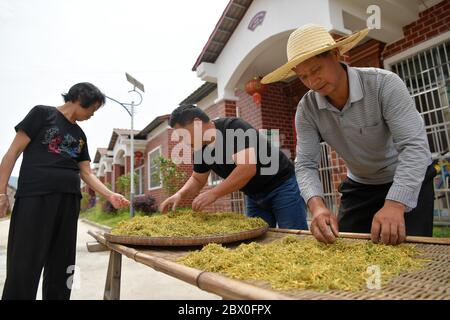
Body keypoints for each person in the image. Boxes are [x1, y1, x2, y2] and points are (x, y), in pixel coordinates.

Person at [261, 24, 435, 245]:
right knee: (344, 245)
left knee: (410, 249)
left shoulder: (384, 85)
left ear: (335, 54)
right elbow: (305, 164)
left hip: (405, 174)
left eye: (316, 70)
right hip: (361, 182)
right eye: (304, 77)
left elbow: (415, 148)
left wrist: (395, 204)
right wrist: (317, 207)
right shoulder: (307, 109)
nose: (313, 82)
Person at [0, 82, 129, 300]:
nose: (92, 115)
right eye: (93, 109)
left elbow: (86, 173)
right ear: (80, 99)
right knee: (25, 261)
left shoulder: (80, 135)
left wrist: (110, 194)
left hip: (69, 202)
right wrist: (1, 193)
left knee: (62, 263)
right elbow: (13, 152)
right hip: (36, 197)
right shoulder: (41, 114)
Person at [159, 105, 307, 230]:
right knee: (258, 238)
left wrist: (214, 193)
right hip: (254, 195)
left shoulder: (234, 128)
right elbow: (197, 179)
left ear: (197, 123)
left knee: (293, 236)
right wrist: (180, 194)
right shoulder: (200, 149)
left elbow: (247, 168)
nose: (184, 142)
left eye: (183, 135)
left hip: (282, 186)